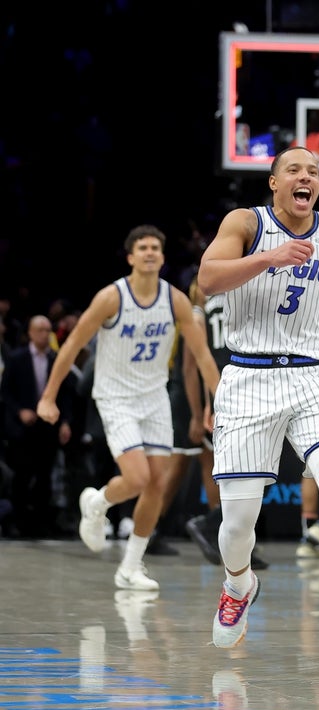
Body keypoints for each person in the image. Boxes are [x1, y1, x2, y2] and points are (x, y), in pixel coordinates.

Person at [196, 146, 319, 667]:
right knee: (238, 523)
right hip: (249, 374)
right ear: (274, 182)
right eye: (295, 170)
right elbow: (207, 280)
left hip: (315, 374)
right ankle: (238, 584)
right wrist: (268, 258)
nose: (307, 176)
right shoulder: (246, 223)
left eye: (314, 171)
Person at [36, 225, 222, 592]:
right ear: (131, 257)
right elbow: (72, 345)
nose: (150, 252)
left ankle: (131, 567)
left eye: (155, 247)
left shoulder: (175, 300)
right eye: (143, 247)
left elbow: (202, 355)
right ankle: (97, 503)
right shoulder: (112, 298)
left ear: (163, 257)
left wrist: (219, 403)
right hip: (116, 397)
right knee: (137, 478)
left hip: (154, 398)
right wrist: (48, 396)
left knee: (156, 484)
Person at [182, 286, 268, 570]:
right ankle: (215, 528)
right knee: (239, 471)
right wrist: (203, 408)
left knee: (247, 469)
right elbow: (198, 363)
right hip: (230, 388)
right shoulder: (204, 312)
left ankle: (225, 534)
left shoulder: (222, 301)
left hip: (237, 385)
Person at [1, 315, 74, 537]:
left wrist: (65, 422)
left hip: (47, 426)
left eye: (48, 330)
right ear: (30, 333)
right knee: (22, 476)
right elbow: (5, 392)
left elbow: (65, 395)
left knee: (45, 476)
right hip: (22, 427)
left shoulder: (55, 359)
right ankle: (17, 522)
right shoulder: (17, 358)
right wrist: (20, 411)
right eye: (40, 330)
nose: (45, 334)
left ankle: (41, 523)